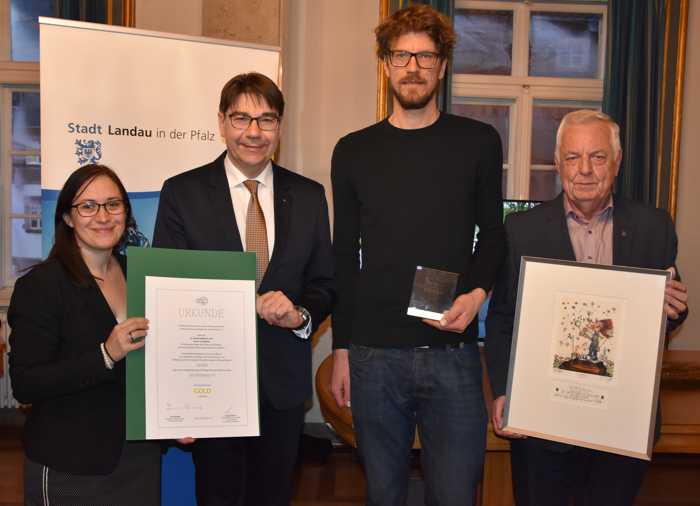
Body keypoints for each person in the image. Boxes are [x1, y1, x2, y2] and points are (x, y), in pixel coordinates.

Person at [330, 5, 505, 505]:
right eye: (402, 55)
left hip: (451, 356)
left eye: (426, 57)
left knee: (455, 494)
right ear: (385, 64)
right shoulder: (353, 150)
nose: (414, 67)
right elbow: (344, 254)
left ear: (442, 67)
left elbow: (493, 235)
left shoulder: (478, 142)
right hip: (373, 358)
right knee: (383, 494)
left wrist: (476, 294)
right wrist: (342, 348)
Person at [485, 109, 689, 506]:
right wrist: (504, 390)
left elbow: (663, 318)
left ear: (617, 162)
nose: (585, 170)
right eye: (573, 157)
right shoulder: (522, 230)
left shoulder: (654, 227)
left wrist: (674, 309)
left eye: (597, 157)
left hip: (621, 425)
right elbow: (503, 320)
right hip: (543, 423)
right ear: (558, 162)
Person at [152, 72, 334, 506]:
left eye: (266, 120)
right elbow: (167, 288)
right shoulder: (183, 193)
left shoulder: (309, 196)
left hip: (283, 387)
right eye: (241, 118)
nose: (254, 132)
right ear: (221, 122)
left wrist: (299, 316)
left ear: (280, 127)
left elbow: (325, 283)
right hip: (207, 384)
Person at [9, 164, 160, 505]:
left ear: (125, 211)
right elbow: (26, 383)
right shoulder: (41, 286)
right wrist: (105, 354)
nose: (103, 216)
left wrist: (177, 416)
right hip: (72, 464)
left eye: (113, 204)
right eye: (88, 206)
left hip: (139, 458)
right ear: (67, 218)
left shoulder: (142, 274)